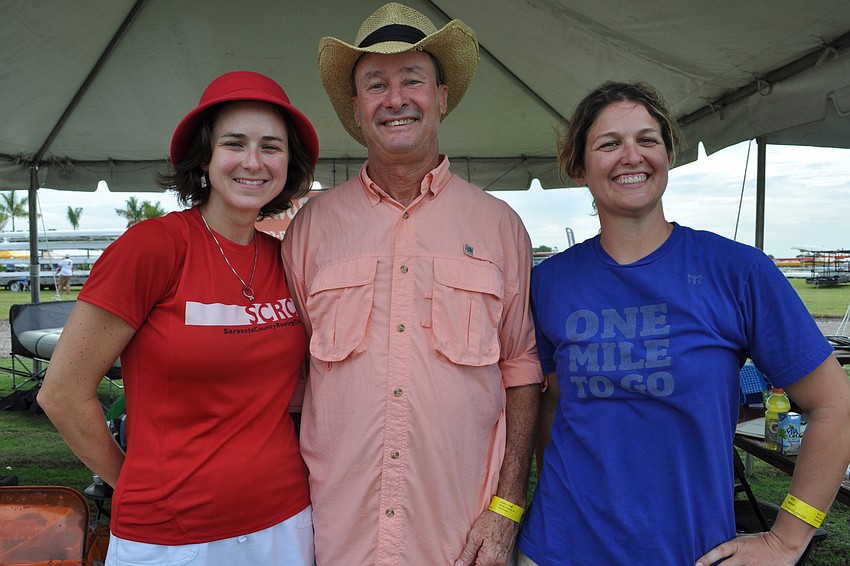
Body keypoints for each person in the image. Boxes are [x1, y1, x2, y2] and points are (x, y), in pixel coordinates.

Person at [515, 81, 850, 565]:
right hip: (557, 550)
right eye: (609, 144)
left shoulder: (737, 271)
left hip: (689, 552)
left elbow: (834, 404)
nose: (631, 155)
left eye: (647, 140)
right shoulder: (550, 282)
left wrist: (787, 539)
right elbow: (554, 408)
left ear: (669, 154)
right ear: (578, 167)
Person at [281, 3, 542, 565]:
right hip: (337, 532)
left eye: (412, 80)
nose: (395, 98)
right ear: (356, 108)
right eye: (376, 84)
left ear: (442, 96)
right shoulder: (311, 229)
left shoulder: (499, 226)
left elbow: (521, 369)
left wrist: (508, 507)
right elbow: (291, 371)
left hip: (460, 534)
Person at [37, 71, 319, 565]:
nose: (253, 161)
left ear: (288, 163)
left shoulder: (287, 259)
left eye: (271, 147)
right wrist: (135, 483)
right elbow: (61, 392)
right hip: (170, 534)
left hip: (285, 518)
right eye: (235, 143)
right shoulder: (153, 248)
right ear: (205, 158)